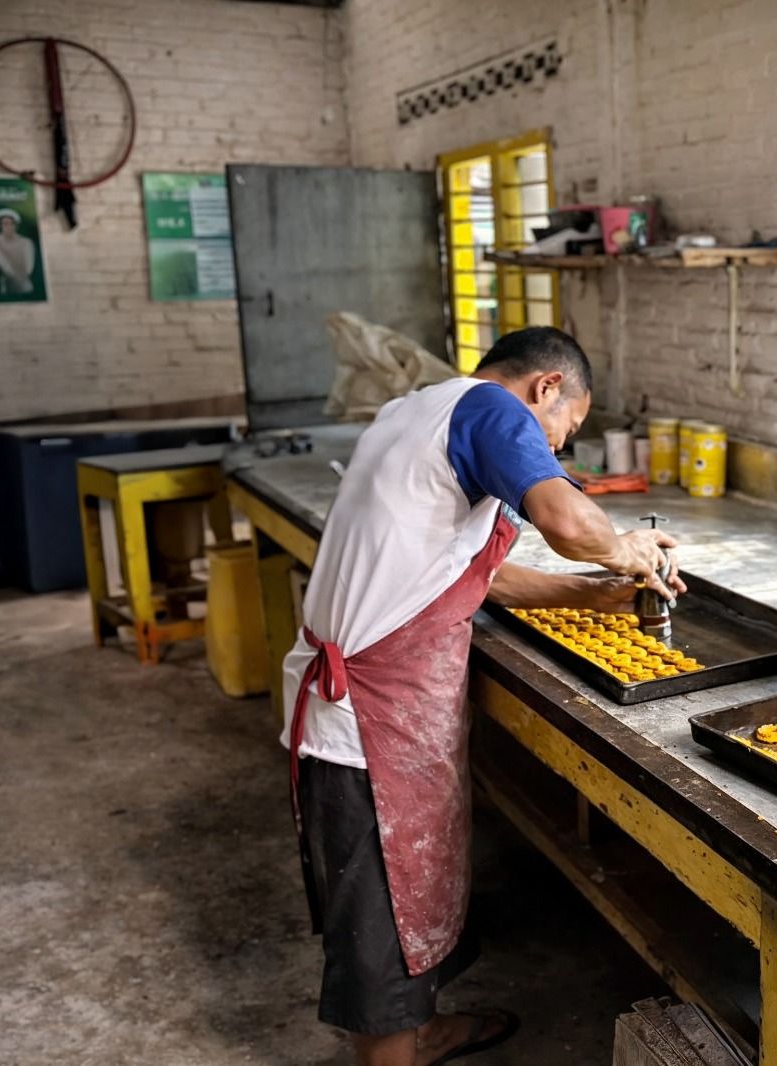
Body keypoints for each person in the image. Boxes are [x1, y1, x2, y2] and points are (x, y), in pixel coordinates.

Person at [280, 326, 685, 1066]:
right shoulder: (492, 410)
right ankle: (390, 1050)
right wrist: (627, 549)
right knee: (383, 919)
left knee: (411, 895)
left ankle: (420, 1031)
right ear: (546, 389)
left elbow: (466, 570)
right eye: (566, 430)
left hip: (391, 715)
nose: (557, 448)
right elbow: (566, 520)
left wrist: (585, 597)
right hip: (367, 724)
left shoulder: (415, 410)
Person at [0, 208, 35, 295]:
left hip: (25, 286)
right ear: (0, 226)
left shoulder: (26, 242)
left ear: (16, 225)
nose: (9, 227)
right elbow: (4, 265)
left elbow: (29, 267)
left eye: (12, 223)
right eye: (5, 224)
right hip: (6, 286)